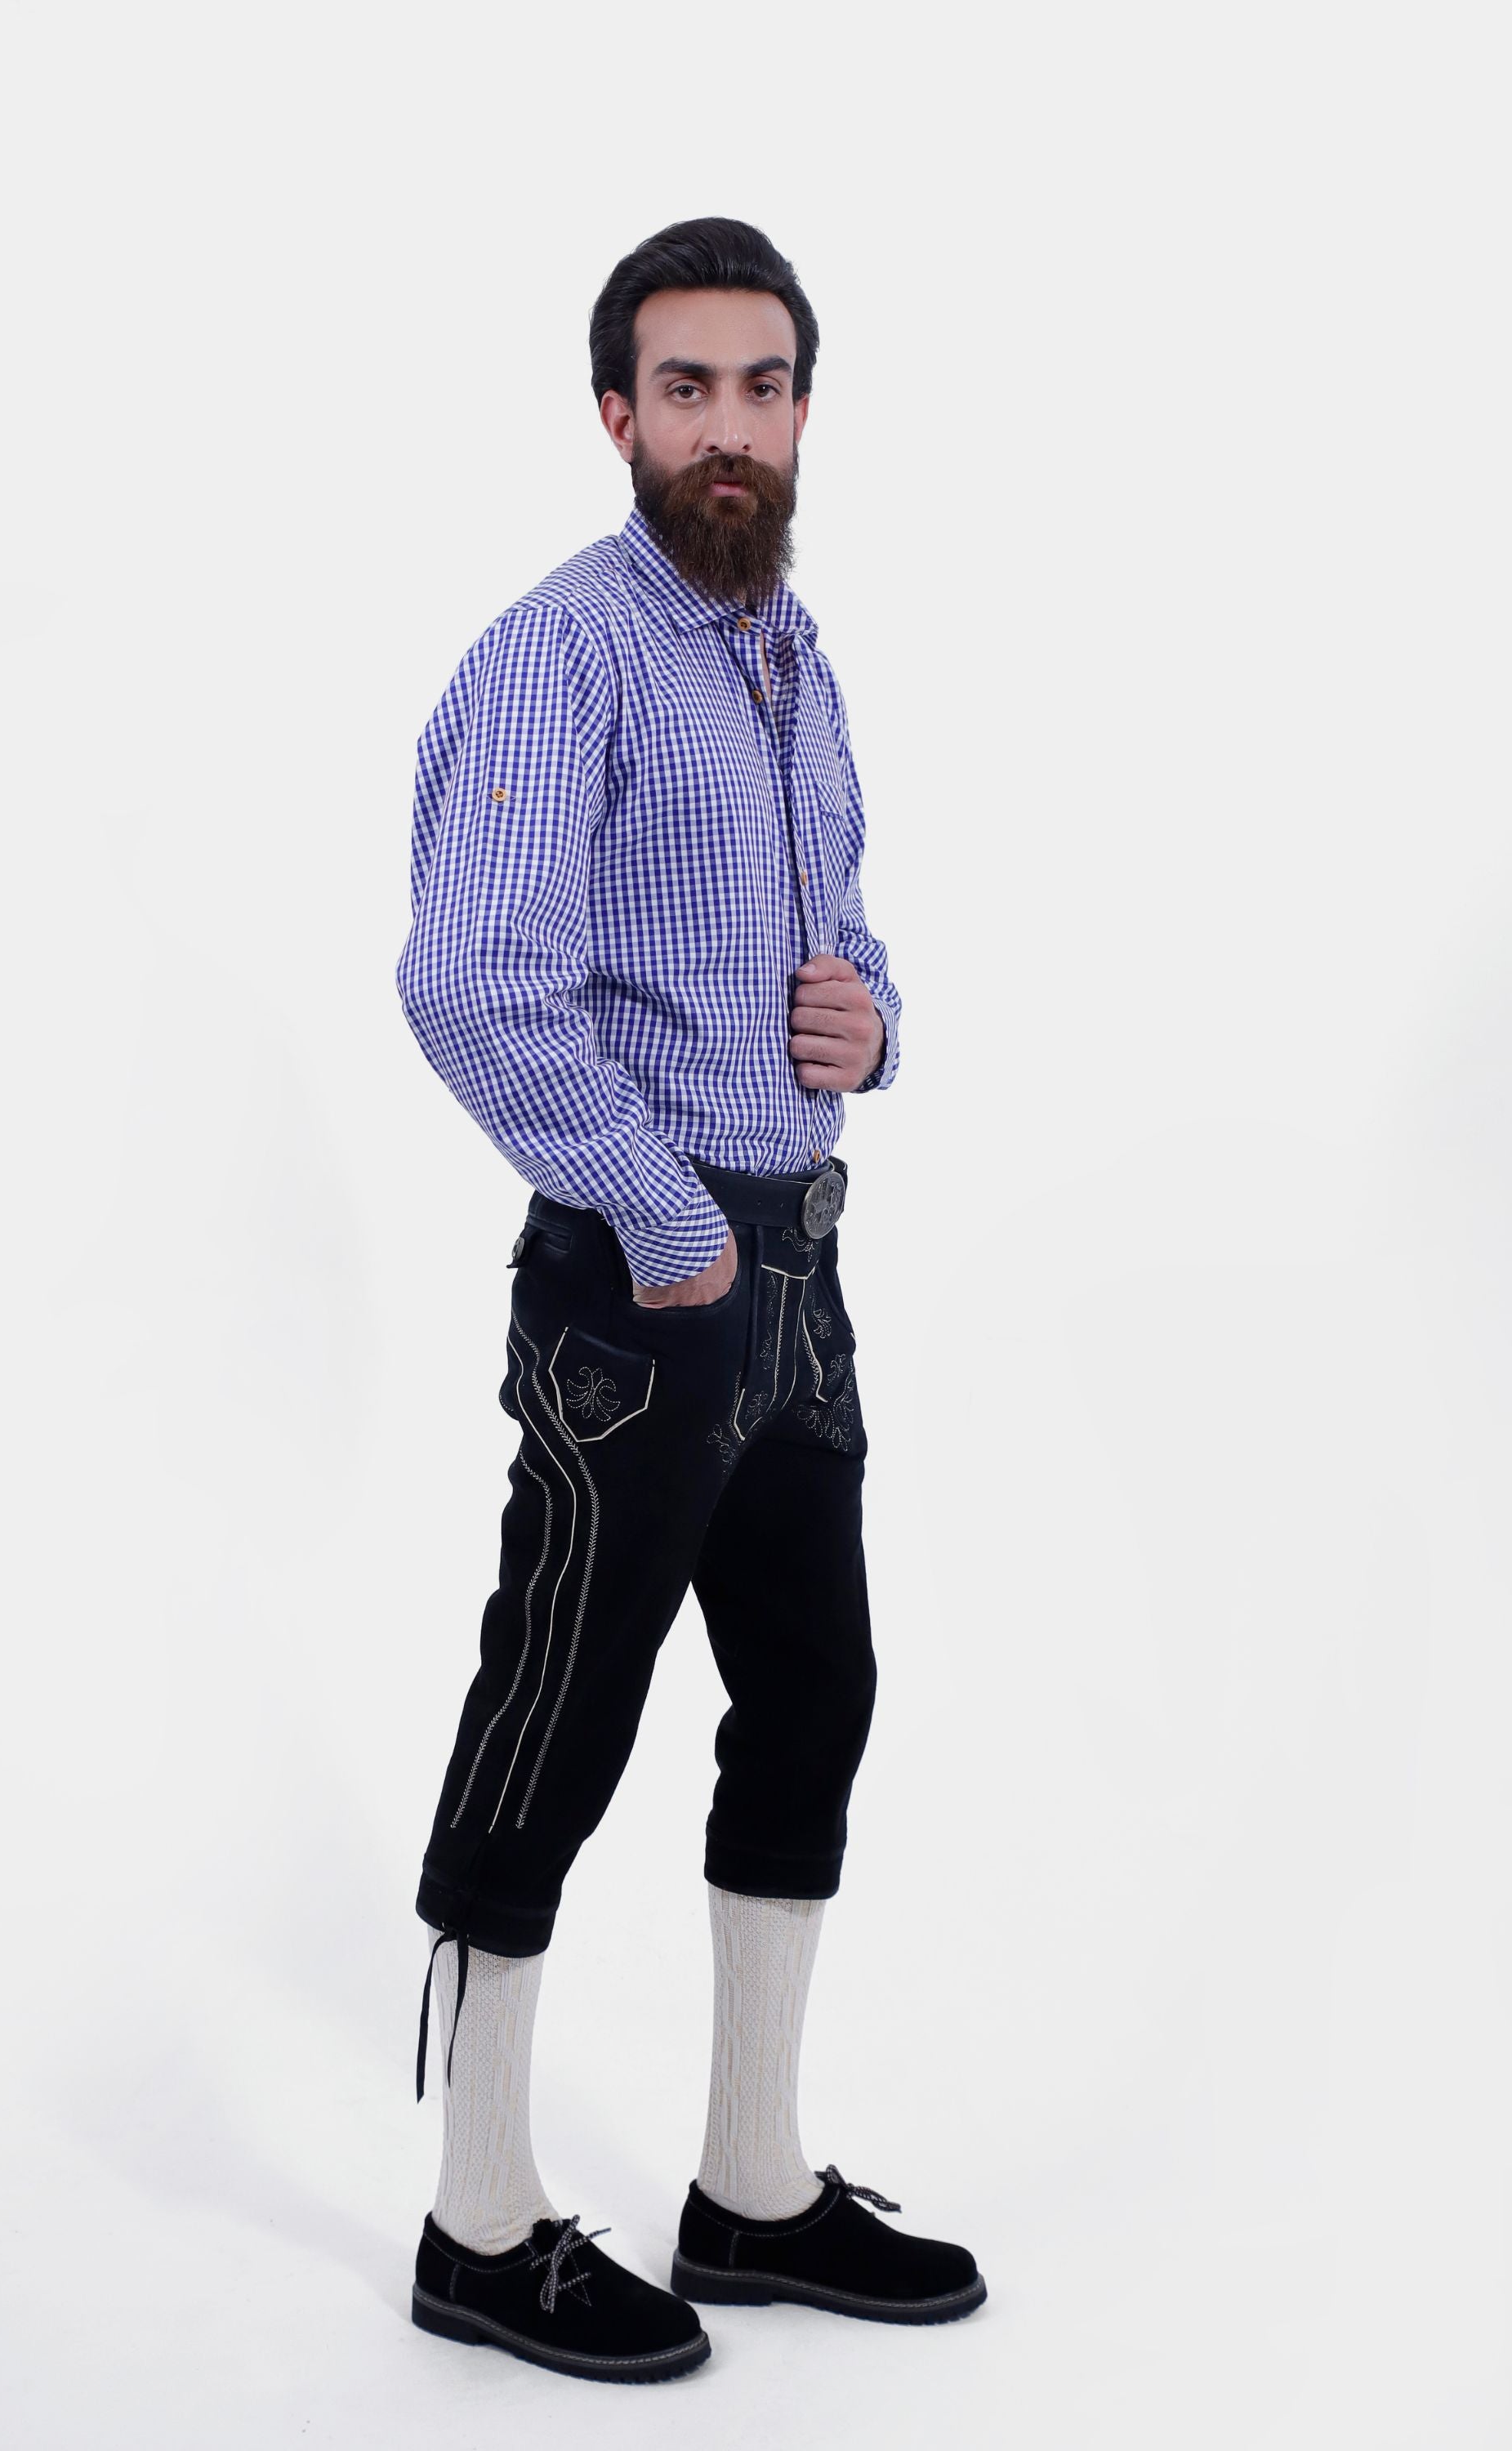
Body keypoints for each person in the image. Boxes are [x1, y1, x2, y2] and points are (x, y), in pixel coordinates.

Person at [395, 215, 984, 2384]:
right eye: (685, 388)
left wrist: (873, 1025)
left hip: (796, 1275)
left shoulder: (790, 650)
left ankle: (752, 2187)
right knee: (556, 1720)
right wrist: (662, 1217)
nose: (727, 426)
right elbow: (475, 985)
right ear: (617, 415)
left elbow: (845, 932)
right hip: (643, 1291)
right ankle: (478, 2226)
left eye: (763, 385)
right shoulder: (557, 657)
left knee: (813, 1699)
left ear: (801, 410)